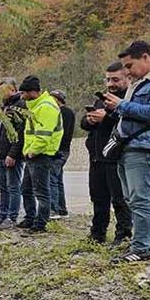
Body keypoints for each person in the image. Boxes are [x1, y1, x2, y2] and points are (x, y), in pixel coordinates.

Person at [103, 41, 150, 263]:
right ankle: (138, 244)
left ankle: (141, 248)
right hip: (129, 147)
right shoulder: (141, 83)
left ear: (145, 57)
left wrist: (121, 105)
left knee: (139, 199)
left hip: (145, 147)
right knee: (131, 199)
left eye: (130, 65)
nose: (128, 71)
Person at [81, 61, 133, 246]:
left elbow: (129, 124)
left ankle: (123, 235)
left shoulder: (130, 99)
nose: (111, 83)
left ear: (128, 78)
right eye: (108, 79)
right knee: (98, 198)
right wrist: (90, 119)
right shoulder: (102, 98)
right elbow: (83, 124)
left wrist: (107, 117)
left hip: (116, 156)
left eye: (115, 79)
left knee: (120, 199)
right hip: (96, 156)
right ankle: (97, 235)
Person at [18, 75, 63, 234]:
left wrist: (32, 151)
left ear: (32, 92)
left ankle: (40, 224)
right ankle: (30, 218)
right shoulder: (35, 106)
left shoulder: (46, 106)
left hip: (41, 155)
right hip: (32, 154)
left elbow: (44, 134)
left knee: (41, 191)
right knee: (26, 189)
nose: (22, 97)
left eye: (23, 93)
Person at [0, 77, 26, 229]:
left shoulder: (19, 106)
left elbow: (20, 133)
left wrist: (13, 153)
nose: (1, 94)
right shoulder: (4, 107)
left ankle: (12, 217)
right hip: (1, 153)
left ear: (13, 90)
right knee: (3, 186)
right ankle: (3, 214)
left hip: (11, 154)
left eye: (3, 90)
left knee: (13, 186)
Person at [48, 90, 75, 219]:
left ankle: (54, 209)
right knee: (58, 180)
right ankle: (62, 209)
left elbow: (60, 132)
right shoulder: (69, 112)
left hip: (59, 150)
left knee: (52, 179)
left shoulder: (62, 113)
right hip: (64, 149)